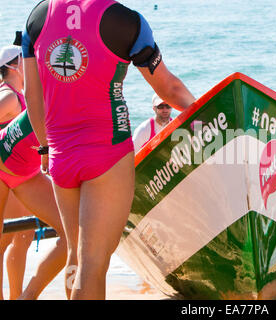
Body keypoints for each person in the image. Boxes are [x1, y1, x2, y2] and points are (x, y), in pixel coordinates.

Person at [22, 0, 196, 299]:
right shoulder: (126, 20)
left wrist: (44, 149)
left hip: (62, 155)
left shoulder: (38, 16)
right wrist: (201, 113)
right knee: (94, 264)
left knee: (76, 256)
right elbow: (168, 89)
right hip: (108, 153)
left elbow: (31, 93)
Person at [0, 43, 65, 300]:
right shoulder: (9, 96)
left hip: (25, 172)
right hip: (6, 166)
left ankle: (21, 296)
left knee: (21, 237)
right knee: (11, 240)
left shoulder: (26, 93)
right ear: (14, 65)